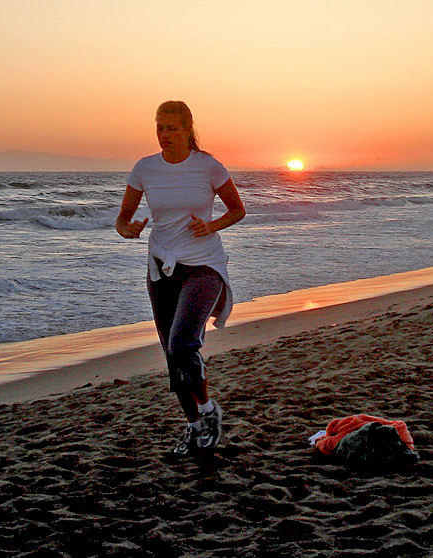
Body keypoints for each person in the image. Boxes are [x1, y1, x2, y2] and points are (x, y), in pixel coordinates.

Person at [116, 101, 246, 456]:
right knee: (171, 353)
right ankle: (195, 428)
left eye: (172, 129)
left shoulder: (208, 166)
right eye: (160, 128)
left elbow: (238, 209)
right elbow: (122, 219)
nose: (165, 136)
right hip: (162, 269)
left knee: (182, 343)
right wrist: (129, 231)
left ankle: (207, 410)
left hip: (204, 265)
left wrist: (211, 225)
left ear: (188, 129)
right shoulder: (145, 169)